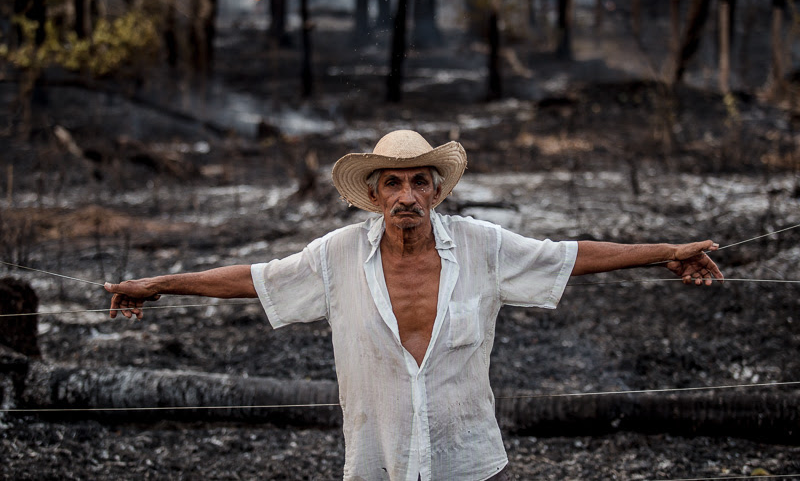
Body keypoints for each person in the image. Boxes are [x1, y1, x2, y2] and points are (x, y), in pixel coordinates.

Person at [105, 130, 723, 481]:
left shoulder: (482, 245)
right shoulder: (337, 255)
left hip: (469, 460)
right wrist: (160, 284)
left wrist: (665, 251)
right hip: (378, 460)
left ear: (435, 190)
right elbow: (255, 280)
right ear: (374, 196)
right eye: (393, 183)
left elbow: (569, 255)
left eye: (419, 182)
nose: (407, 195)